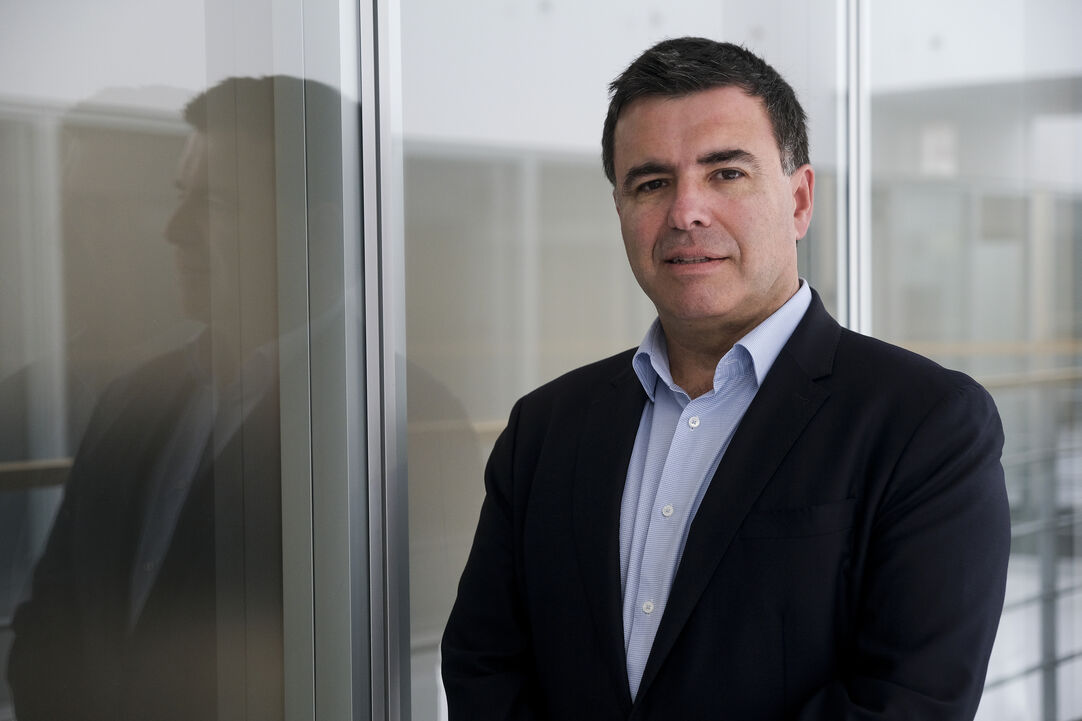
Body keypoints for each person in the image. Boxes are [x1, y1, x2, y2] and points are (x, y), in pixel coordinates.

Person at [441, 37, 1011, 720]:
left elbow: (908, 701)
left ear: (799, 200)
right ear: (620, 210)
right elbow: (484, 665)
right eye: (651, 183)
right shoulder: (545, 427)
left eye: (726, 174)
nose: (686, 211)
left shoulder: (926, 423)